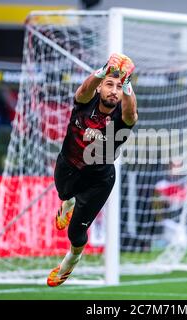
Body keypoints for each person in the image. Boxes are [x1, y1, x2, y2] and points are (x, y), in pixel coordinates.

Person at [47, 53, 138, 287]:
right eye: (109, 84)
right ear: (99, 88)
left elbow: (131, 114)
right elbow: (85, 89)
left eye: (119, 87)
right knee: (63, 194)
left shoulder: (121, 116)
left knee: (75, 234)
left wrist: (126, 83)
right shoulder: (85, 100)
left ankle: (71, 260)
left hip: (99, 180)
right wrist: (104, 69)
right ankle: (68, 203)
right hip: (68, 164)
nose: (114, 90)